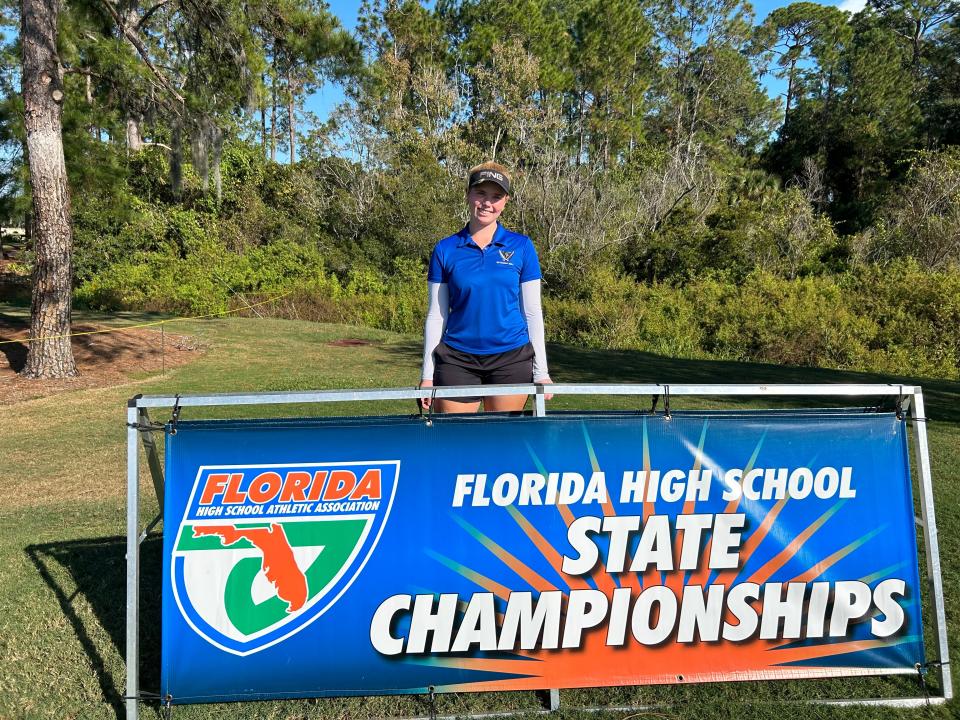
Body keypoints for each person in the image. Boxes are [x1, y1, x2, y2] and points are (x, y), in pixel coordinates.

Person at [419, 161, 552, 413]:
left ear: (505, 201)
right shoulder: (445, 249)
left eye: (496, 196)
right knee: (455, 444)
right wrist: (427, 375)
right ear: (469, 194)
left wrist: (541, 373)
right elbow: (436, 315)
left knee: (504, 443)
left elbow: (532, 312)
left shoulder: (522, 247)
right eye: (481, 193)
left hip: (511, 358)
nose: (487, 203)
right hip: (457, 359)